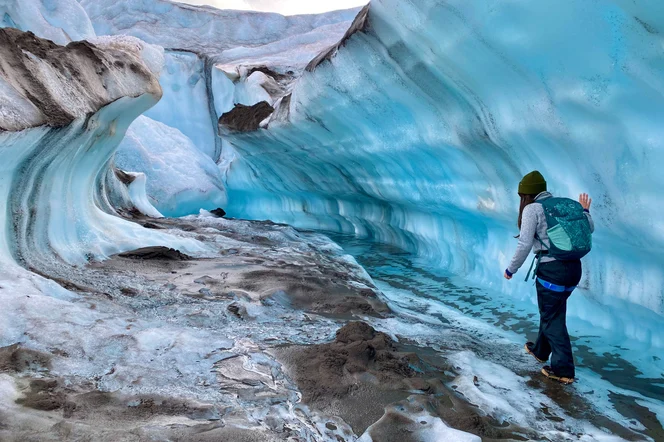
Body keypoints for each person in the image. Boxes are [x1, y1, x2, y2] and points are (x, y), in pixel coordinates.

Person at [503, 171, 594, 384]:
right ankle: (540, 351)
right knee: (552, 311)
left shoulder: (532, 209)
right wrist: (586, 211)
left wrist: (511, 269)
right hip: (574, 269)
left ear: (526, 194)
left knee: (552, 317)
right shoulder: (565, 204)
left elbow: (525, 243)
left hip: (552, 270)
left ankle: (563, 370)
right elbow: (589, 228)